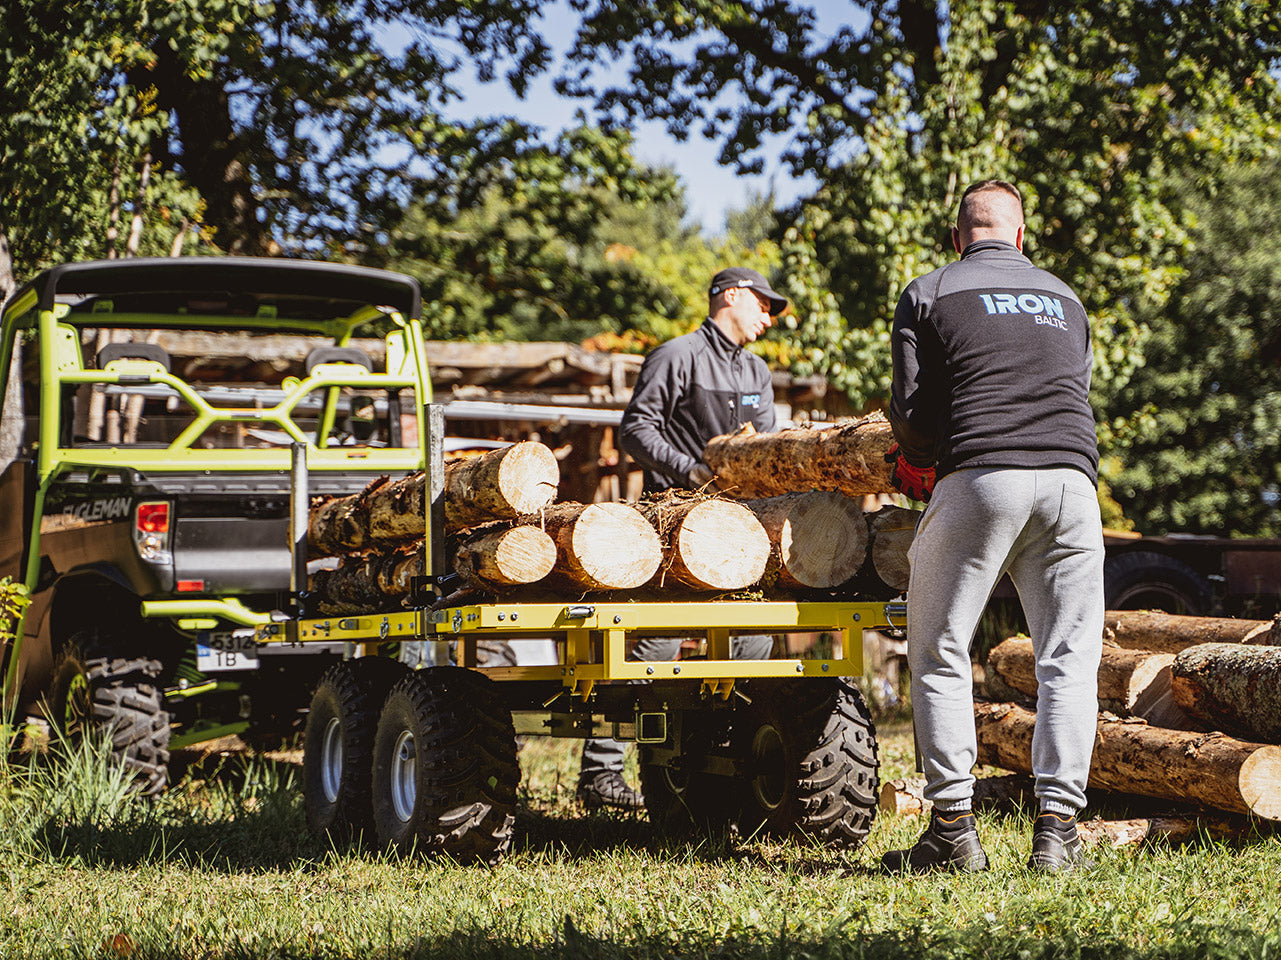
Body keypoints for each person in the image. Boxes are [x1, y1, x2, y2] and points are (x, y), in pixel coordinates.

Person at [880, 180, 1104, 873]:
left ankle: (951, 832)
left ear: (957, 238)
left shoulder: (929, 289)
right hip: (1073, 483)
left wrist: (916, 461)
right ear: (1019, 233)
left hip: (981, 476)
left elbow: (913, 418)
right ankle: (1057, 836)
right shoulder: (1065, 297)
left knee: (940, 651)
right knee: (1067, 661)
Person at [576, 266, 788, 810]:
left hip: (740, 526)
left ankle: (728, 761)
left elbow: (763, 447)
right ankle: (600, 773)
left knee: (754, 642)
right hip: (673, 520)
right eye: (764, 305)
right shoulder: (677, 356)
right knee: (655, 644)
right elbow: (637, 428)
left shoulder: (759, 372)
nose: (769, 317)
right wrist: (689, 472)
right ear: (730, 296)